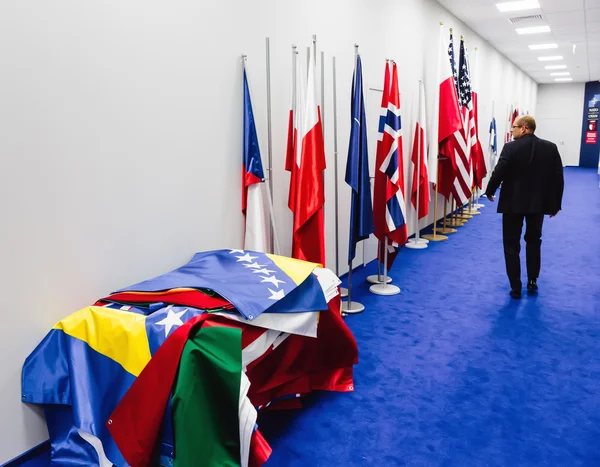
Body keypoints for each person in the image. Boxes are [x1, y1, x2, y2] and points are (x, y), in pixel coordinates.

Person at [485, 115, 564, 298]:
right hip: (538, 205)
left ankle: (515, 286)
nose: (511, 130)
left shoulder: (511, 147)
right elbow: (557, 178)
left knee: (511, 244)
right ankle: (532, 281)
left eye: (514, 127)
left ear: (524, 128)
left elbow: (499, 171)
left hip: (512, 204)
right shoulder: (550, 148)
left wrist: (490, 190)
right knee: (534, 241)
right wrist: (555, 205)